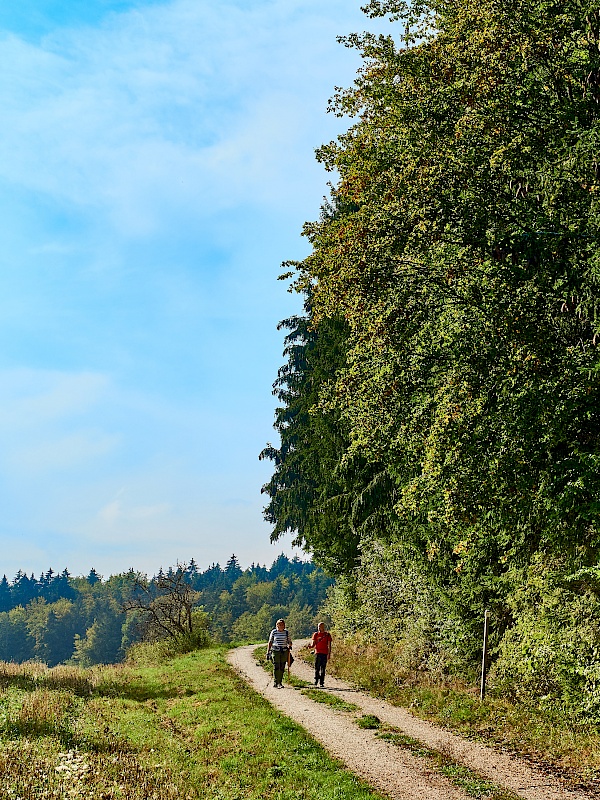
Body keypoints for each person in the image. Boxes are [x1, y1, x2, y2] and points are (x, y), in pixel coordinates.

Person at [266, 618, 292, 688]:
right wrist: (268, 652)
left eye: (282, 625)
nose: (281, 626)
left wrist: (290, 644)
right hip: (275, 650)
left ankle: (280, 682)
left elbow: (289, 641)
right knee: (276, 666)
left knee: (282, 667)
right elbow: (270, 642)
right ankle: (276, 682)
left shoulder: (286, 632)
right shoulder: (274, 632)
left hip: (284, 651)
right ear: (277, 625)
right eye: (279, 624)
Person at [310, 621, 332, 687]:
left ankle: (322, 682)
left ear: (323, 627)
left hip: (324, 653)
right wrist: (310, 646)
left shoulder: (327, 635)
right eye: (319, 627)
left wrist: (329, 654)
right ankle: (316, 680)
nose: (319, 628)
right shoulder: (316, 634)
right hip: (318, 652)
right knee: (317, 667)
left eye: (321, 627)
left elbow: (329, 645)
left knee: (323, 668)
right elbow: (313, 643)